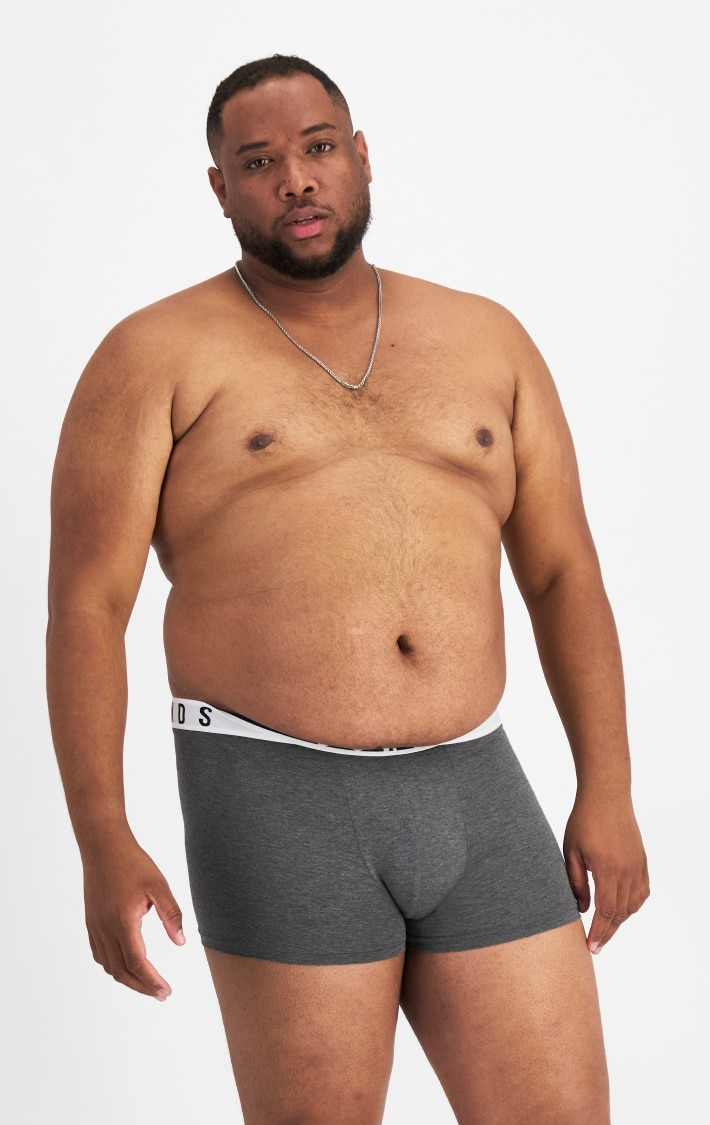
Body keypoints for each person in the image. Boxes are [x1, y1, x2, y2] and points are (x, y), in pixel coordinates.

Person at [47, 54, 649, 1125]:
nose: (296, 179)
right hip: (275, 794)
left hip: (476, 786)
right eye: (258, 162)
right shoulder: (152, 355)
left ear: (361, 156)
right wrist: (103, 832)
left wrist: (609, 787)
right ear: (220, 188)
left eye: (318, 148)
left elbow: (564, 573)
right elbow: (89, 606)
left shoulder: (487, 337)